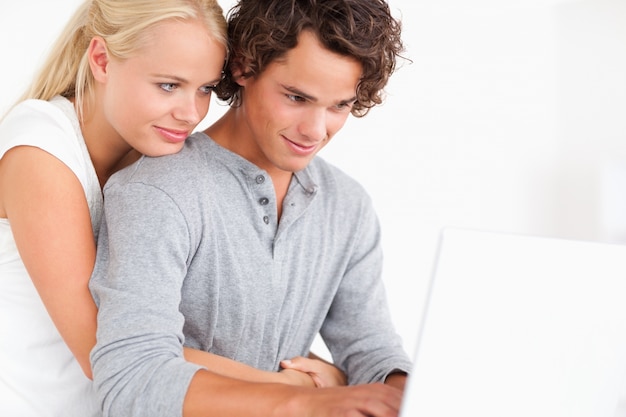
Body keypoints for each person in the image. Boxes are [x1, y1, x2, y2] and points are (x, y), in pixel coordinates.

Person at [0, 1, 339, 416]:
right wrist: (288, 385)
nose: (190, 113)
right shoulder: (40, 149)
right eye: (168, 85)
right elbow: (106, 351)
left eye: (204, 89)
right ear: (102, 61)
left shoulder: (150, 155)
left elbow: (174, 325)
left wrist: (318, 368)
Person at [89, 0, 412, 416]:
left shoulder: (347, 206)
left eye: (339, 106)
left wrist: (405, 395)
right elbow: (130, 382)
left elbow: (371, 349)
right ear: (243, 66)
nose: (315, 131)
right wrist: (308, 401)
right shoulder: (156, 190)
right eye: (296, 97)